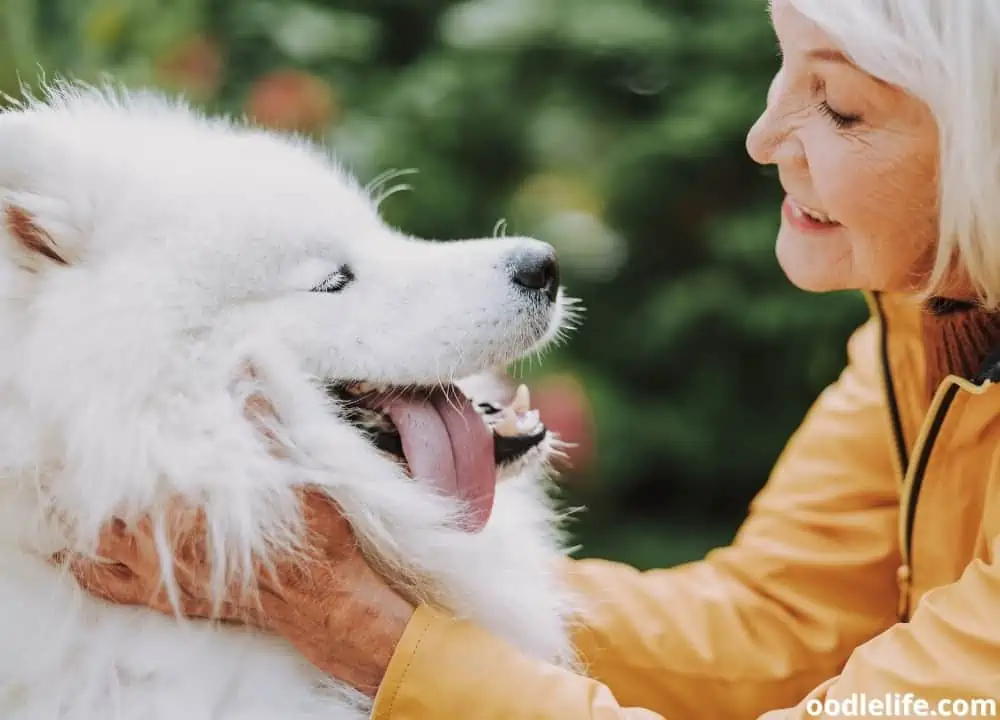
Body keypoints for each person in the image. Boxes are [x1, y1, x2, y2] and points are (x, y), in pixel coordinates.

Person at [63, 0, 1000, 717]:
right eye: (784, 66)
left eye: (838, 109)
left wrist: (361, 630)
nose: (763, 138)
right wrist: (373, 571)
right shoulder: (931, 316)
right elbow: (772, 623)